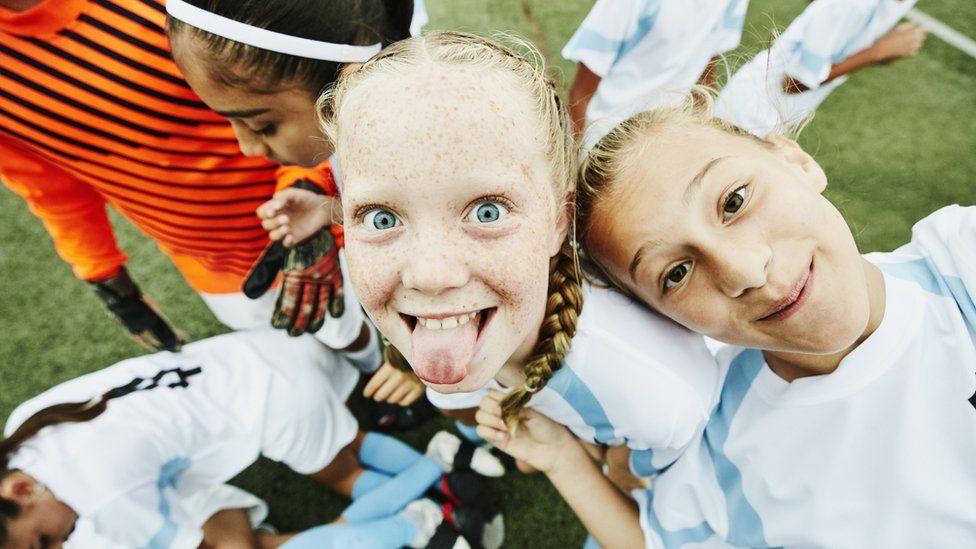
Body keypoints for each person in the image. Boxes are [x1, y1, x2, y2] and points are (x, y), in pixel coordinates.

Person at [261, 31, 723, 543]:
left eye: (488, 211)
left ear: (558, 220)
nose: (429, 275)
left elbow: (664, 499)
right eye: (381, 216)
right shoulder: (484, 325)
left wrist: (599, 462)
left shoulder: (651, 400)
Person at [480, 89, 976, 547]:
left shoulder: (958, 262)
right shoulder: (721, 442)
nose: (745, 269)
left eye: (733, 201)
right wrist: (562, 458)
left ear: (795, 160)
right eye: (675, 273)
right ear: (667, 319)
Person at [0, 0, 386, 361]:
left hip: (312, 214)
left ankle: (393, 387)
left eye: (255, 127)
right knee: (301, 350)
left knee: (359, 327)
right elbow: (53, 190)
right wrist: (109, 283)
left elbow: (301, 86)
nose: (247, 144)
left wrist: (310, 185)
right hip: (211, 261)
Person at [0, 328, 502, 549]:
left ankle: (424, 510)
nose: (58, 547)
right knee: (348, 449)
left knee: (345, 473)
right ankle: (443, 470)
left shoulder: (103, 497)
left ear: (20, 491)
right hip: (258, 358)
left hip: (277, 400)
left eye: (42, 543)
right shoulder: (21, 429)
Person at [166, 0, 432, 411]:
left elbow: (447, 267)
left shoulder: (427, 157)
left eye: (261, 125)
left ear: (347, 76)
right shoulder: (365, 123)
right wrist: (327, 209)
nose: (247, 147)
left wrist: (414, 362)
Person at [715, 0, 927, 137]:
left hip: (773, 122)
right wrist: (878, 52)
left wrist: (885, 51)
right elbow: (794, 83)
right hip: (744, 117)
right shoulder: (849, 5)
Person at [563, 0, 749, 149]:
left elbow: (707, 68)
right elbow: (581, 94)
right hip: (604, 142)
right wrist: (571, 167)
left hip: (663, 142)